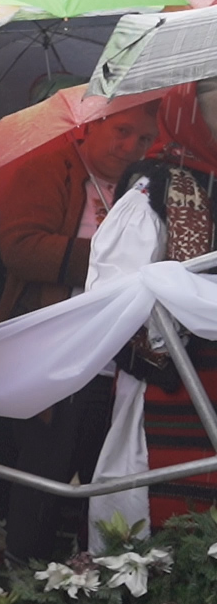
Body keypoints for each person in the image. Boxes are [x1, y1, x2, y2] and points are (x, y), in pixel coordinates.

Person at [0, 101, 159, 562]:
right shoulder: (48, 168)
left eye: (144, 139)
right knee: (45, 465)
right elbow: (20, 248)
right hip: (57, 351)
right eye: (122, 131)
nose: (131, 147)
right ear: (93, 123)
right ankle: (23, 571)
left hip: (117, 360)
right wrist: (115, 259)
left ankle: (91, 572)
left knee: (101, 468)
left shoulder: (145, 187)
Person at [91, 82, 217, 533]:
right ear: (187, 103)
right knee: (151, 519)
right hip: (172, 385)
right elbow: (115, 297)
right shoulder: (156, 186)